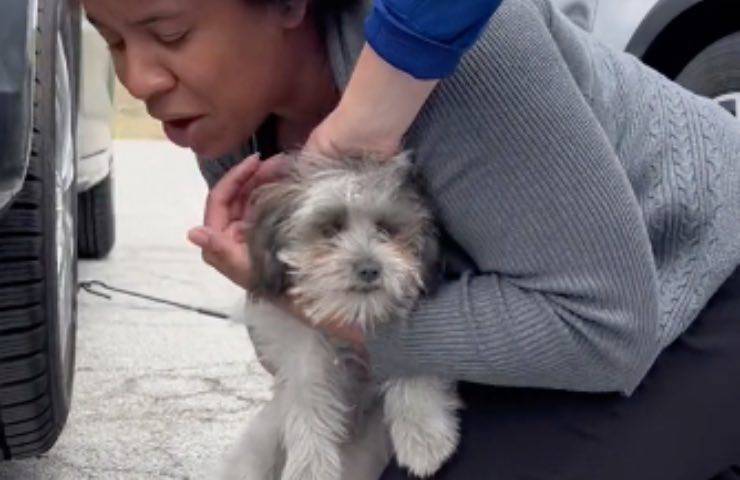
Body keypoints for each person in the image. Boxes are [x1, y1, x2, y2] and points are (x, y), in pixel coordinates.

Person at [83, 0, 740, 478]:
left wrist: (311, 307)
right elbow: (331, 360)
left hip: (704, 284)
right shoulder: (234, 121)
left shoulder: (469, 53)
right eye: (111, 42)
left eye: (168, 33)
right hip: (557, 326)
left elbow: (607, 329)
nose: (139, 81)